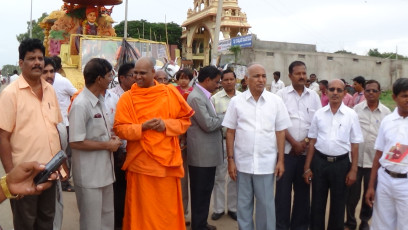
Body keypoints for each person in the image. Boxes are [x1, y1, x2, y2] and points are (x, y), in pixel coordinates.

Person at [113, 57, 194, 230]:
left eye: (142, 73)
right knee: (142, 213)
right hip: (141, 165)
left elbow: (184, 122)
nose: (138, 76)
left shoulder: (169, 93)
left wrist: (166, 125)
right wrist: (141, 127)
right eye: (135, 73)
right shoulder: (127, 98)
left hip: (166, 165)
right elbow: (120, 129)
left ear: (153, 73)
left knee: (166, 212)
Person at [0, 38, 64, 230]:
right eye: (31, 58)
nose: (37, 62)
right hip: (24, 174)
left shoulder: (50, 90)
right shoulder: (11, 93)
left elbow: (55, 129)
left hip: (50, 172)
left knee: (47, 221)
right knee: (26, 223)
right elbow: (3, 137)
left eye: (40, 58)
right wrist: (12, 176)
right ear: (21, 63)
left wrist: (63, 166)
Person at [223, 64, 291, 230]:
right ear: (246, 79)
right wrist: (231, 160)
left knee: (266, 207)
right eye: (256, 76)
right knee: (243, 206)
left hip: (266, 164)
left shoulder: (276, 101)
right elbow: (230, 132)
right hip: (242, 164)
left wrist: (281, 160)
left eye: (263, 76)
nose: (261, 80)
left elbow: (281, 132)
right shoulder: (236, 102)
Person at [69, 58, 121, 230]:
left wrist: (111, 140)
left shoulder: (101, 100)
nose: (111, 78)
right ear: (99, 79)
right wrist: (107, 145)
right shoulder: (81, 104)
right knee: (91, 222)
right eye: (108, 75)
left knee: (107, 218)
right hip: (89, 175)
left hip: (105, 171)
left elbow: (100, 134)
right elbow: (76, 142)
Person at [303, 79, 363, 230]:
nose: (335, 93)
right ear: (327, 92)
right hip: (320, 163)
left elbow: (355, 144)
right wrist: (307, 167)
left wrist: (353, 170)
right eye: (332, 89)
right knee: (317, 203)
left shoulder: (351, 115)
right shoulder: (319, 114)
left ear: (344, 93)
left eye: (339, 90)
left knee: (338, 205)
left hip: (341, 165)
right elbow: (312, 141)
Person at [275, 61, 321, 230]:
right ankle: (281, 226)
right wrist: (294, 143)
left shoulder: (314, 96)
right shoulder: (281, 95)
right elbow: (278, 123)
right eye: (298, 73)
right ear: (290, 76)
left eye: (304, 73)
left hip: (306, 155)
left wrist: (304, 143)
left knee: (303, 195)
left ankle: (300, 226)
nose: (302, 76)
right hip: (285, 154)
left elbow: (317, 124)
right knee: (282, 195)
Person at [344, 80, 390, 230]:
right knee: (352, 195)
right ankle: (350, 221)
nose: (370, 93)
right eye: (368, 91)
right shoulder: (355, 110)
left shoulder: (386, 113)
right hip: (356, 161)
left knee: (369, 195)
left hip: (373, 162)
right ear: (364, 93)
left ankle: (364, 221)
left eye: (374, 91)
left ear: (379, 93)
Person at [365, 78, 408, 230]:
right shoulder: (387, 121)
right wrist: (371, 186)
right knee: (381, 225)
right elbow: (378, 154)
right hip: (385, 180)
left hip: (406, 184)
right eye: (404, 96)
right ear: (394, 97)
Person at [187, 66, 224, 230]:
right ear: (207, 80)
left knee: (204, 192)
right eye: (216, 82)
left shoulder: (203, 95)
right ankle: (198, 226)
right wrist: (226, 116)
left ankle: (201, 223)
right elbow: (208, 124)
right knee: (200, 193)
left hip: (206, 155)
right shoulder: (196, 97)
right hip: (201, 156)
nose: (218, 85)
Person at [108, 62, 136, 230]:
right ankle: (118, 223)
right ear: (122, 78)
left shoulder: (136, 95)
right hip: (119, 150)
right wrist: (122, 150)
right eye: (133, 75)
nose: (137, 78)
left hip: (134, 151)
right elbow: (117, 126)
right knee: (119, 189)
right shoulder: (113, 96)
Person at [210, 68, 240, 222]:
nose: (229, 82)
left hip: (239, 143)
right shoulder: (215, 99)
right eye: (225, 80)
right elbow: (213, 121)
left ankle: (233, 209)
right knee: (219, 176)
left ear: (236, 80)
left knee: (235, 176)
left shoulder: (243, 98)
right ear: (221, 82)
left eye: (231, 79)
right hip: (221, 141)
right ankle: (219, 209)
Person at [51, 55, 78, 192]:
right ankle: (65, 181)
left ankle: (58, 179)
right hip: (64, 123)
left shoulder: (45, 81)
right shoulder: (63, 81)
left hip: (52, 123)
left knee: (56, 153)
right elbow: (76, 95)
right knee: (66, 154)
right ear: (61, 67)